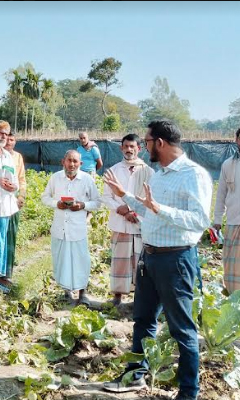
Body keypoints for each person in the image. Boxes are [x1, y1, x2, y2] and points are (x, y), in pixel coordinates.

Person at [102, 120, 212, 400]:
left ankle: (189, 392)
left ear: (160, 143)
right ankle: (135, 375)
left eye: (147, 142)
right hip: (150, 257)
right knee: (143, 319)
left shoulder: (193, 174)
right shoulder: (160, 174)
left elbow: (200, 220)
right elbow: (148, 209)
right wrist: (124, 195)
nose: (143, 146)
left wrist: (159, 208)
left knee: (182, 329)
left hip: (175, 260)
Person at [41, 150, 101, 306]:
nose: (72, 164)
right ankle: (66, 291)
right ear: (63, 162)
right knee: (61, 260)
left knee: (81, 261)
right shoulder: (55, 178)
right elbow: (45, 197)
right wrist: (57, 204)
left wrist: (82, 205)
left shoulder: (87, 179)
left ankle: (82, 294)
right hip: (59, 228)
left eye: (75, 161)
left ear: (80, 164)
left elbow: (97, 202)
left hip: (77, 229)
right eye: (69, 160)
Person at [102, 134, 154, 306]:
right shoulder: (113, 170)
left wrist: (135, 213)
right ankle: (117, 297)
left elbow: (150, 199)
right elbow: (106, 197)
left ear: (139, 149)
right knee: (119, 260)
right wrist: (121, 209)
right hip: (120, 224)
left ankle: (138, 299)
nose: (129, 150)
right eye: (126, 146)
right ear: (121, 148)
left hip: (140, 225)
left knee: (140, 263)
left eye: (132, 146)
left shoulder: (148, 172)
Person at [0, 120, 19, 295]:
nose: (3, 137)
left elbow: (13, 178)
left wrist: (14, 187)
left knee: (2, 242)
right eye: (0, 133)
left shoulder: (7, 156)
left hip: (7, 205)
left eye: (6, 134)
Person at [213, 127, 240, 294]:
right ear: (237, 140)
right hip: (233, 222)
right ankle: (234, 301)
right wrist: (217, 219)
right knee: (232, 267)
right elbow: (221, 193)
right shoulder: (228, 164)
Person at [3, 127, 27, 283]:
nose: (9, 142)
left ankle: (7, 272)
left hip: (14, 202)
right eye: (7, 139)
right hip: (1, 202)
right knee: (0, 237)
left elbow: (22, 179)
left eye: (12, 140)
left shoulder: (18, 157)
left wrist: (21, 196)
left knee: (11, 236)